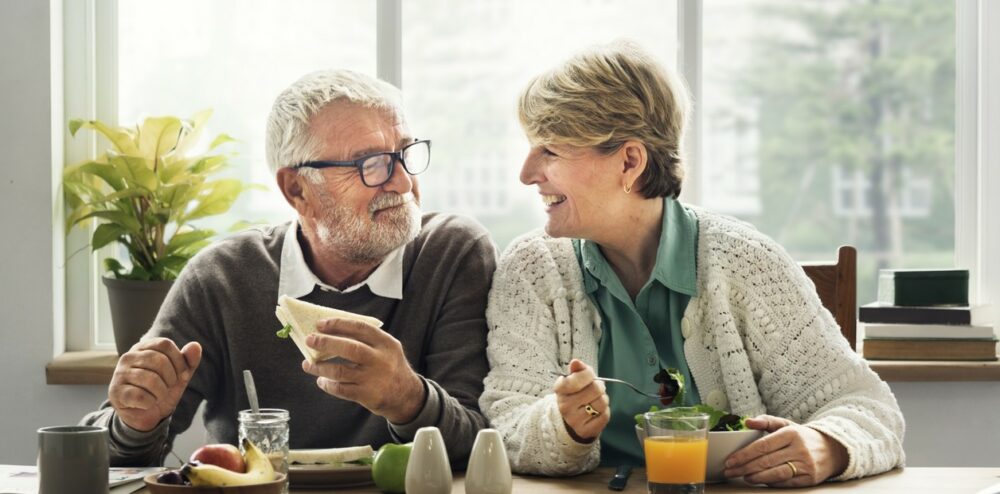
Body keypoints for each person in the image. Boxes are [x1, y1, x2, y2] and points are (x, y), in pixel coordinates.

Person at [479, 40, 905, 487]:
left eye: (550, 150)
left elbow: (867, 406)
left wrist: (829, 444)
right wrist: (563, 425)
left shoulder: (747, 262)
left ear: (629, 160)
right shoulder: (532, 268)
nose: (527, 173)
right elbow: (505, 423)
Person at [81, 69, 497, 466]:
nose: (404, 183)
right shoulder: (222, 278)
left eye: (405, 153)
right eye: (370, 164)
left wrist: (408, 399)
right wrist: (135, 422)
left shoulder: (452, 254)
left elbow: (483, 448)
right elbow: (108, 460)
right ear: (297, 189)